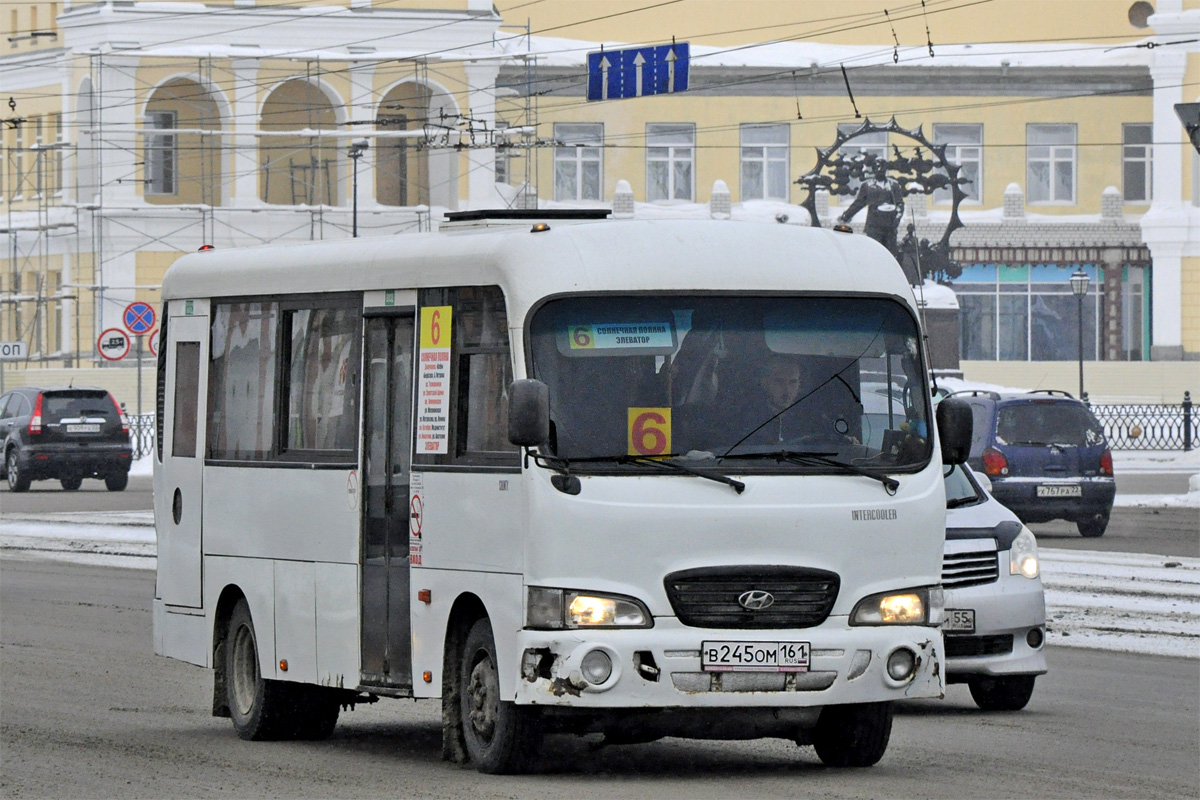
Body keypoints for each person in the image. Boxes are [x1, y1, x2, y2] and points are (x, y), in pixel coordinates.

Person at [838, 159, 906, 254]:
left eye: (882, 168)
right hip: (874, 225)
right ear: (873, 170)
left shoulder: (893, 185)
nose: (880, 171)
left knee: (890, 254)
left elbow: (900, 204)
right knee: (874, 252)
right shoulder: (867, 185)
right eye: (877, 168)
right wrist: (846, 216)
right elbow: (859, 203)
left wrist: (897, 219)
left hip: (889, 226)